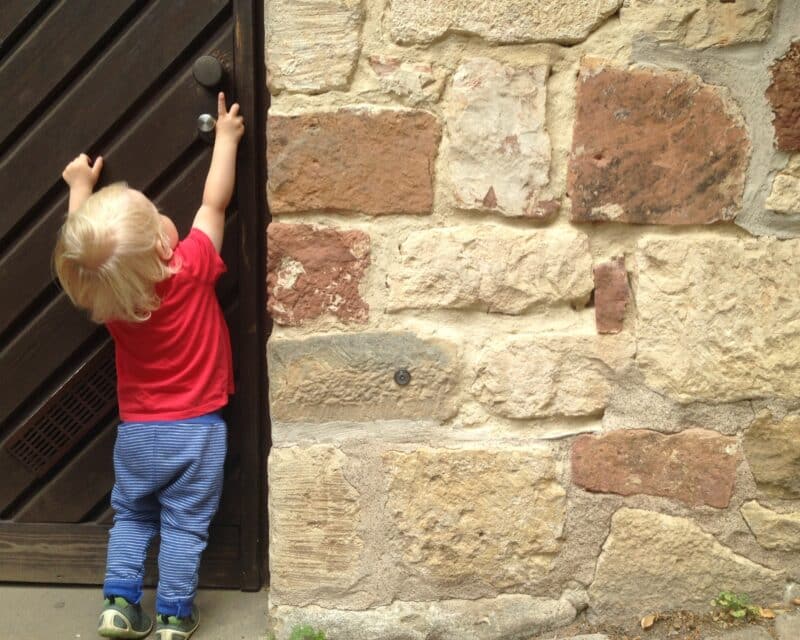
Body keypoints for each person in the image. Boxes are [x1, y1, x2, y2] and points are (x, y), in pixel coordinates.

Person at [53, 92, 244, 640]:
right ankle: (174, 615)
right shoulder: (192, 267)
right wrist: (226, 139)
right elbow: (213, 204)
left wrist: (79, 188)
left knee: (133, 517)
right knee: (185, 525)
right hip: (197, 431)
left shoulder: (112, 300)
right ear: (163, 247)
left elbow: (86, 255)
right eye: (157, 217)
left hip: (138, 433)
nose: (165, 216)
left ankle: (119, 604)